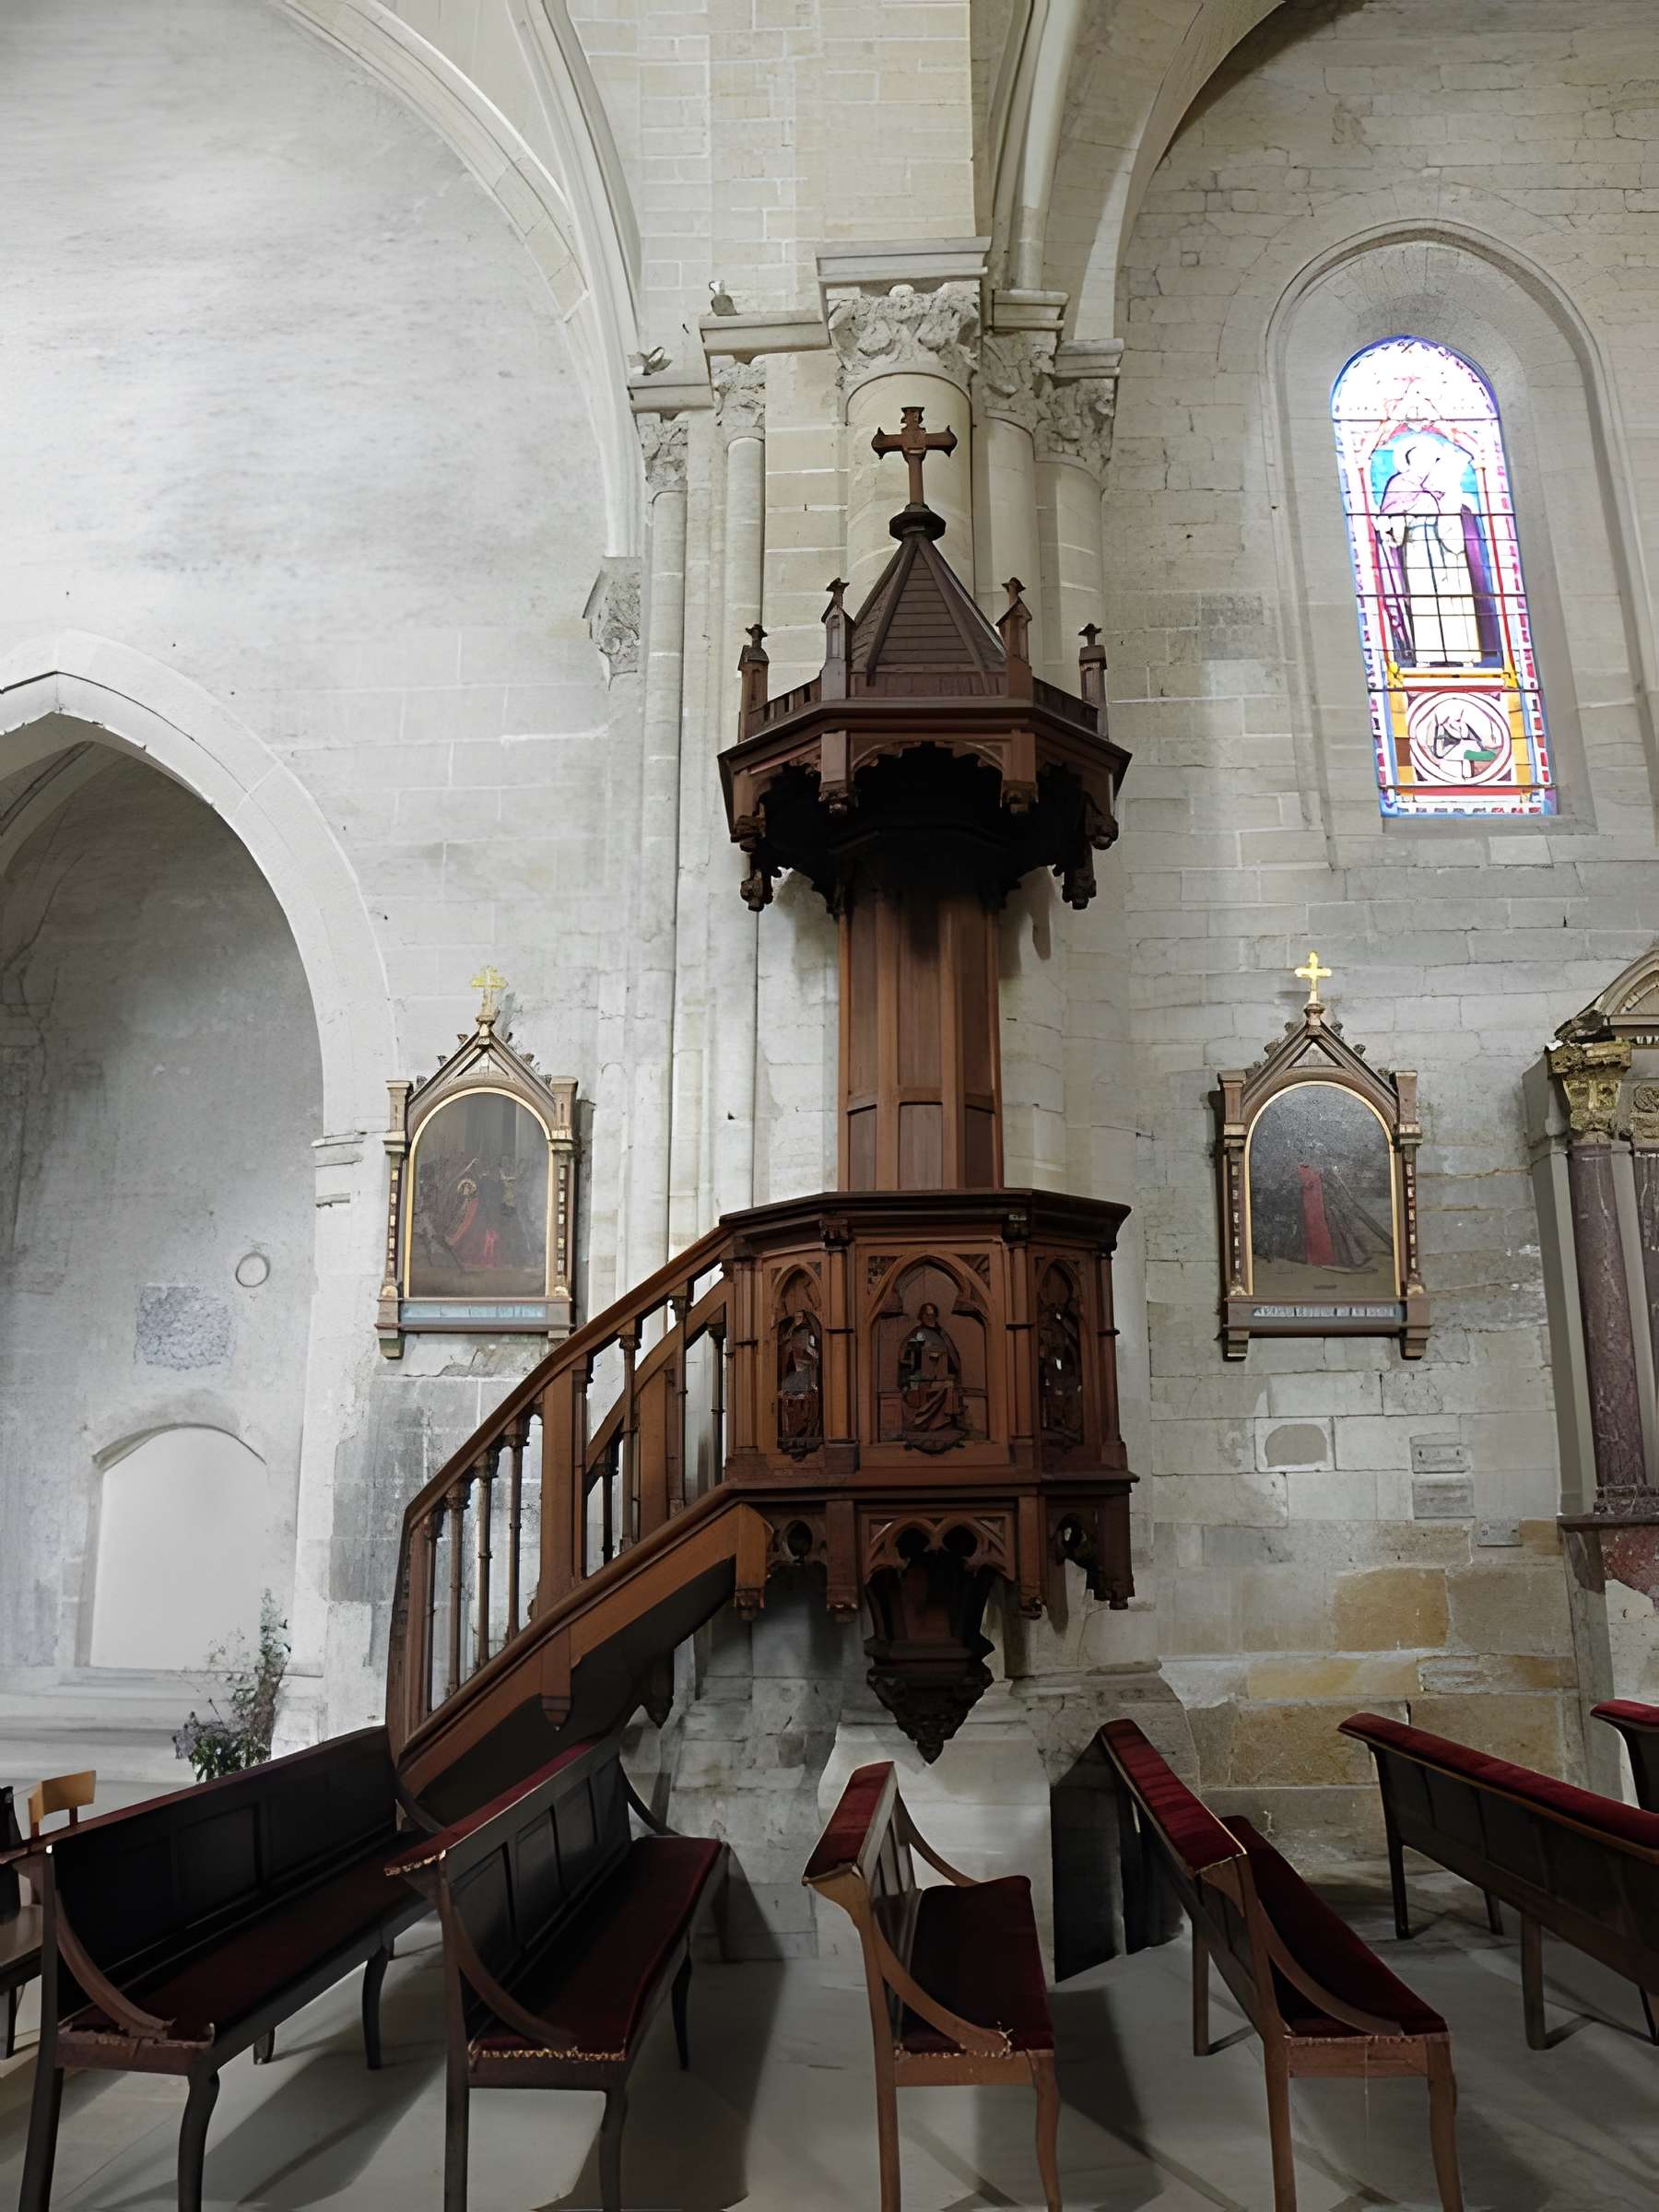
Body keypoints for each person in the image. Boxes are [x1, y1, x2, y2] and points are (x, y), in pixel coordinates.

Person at [1374, 438, 1500, 669]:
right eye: (1424, 458)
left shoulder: (1444, 484)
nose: (1428, 463)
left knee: (1455, 599)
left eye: (1432, 459)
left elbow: (1463, 511)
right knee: (1426, 602)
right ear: (1411, 460)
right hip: (1418, 547)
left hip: (1450, 549)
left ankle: (1464, 653)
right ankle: (1426, 655)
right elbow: (1391, 516)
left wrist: (1451, 500)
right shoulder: (1400, 483)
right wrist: (1400, 518)